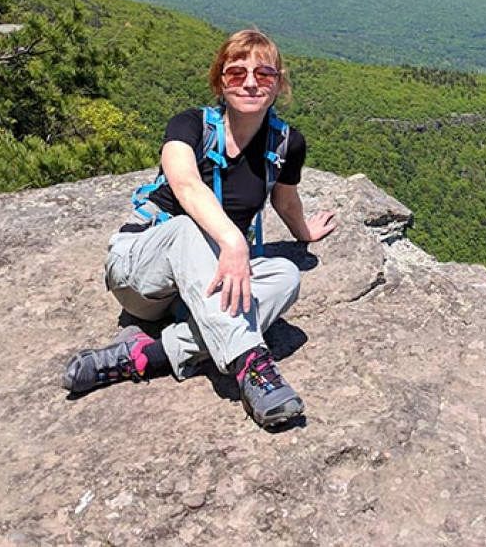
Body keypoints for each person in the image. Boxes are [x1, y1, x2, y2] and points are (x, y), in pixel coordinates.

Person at [61, 29, 336, 428]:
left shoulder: (286, 143)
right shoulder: (189, 125)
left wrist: (303, 233)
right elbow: (185, 184)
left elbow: (285, 198)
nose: (250, 82)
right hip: (143, 275)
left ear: (278, 84)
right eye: (236, 72)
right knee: (189, 230)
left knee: (286, 276)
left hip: (204, 287)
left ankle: (145, 356)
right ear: (219, 81)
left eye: (264, 73)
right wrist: (232, 241)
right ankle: (253, 368)